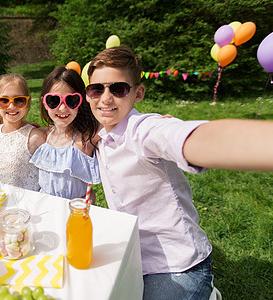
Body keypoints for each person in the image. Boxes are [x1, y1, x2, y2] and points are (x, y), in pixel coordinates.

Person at [85, 45, 273, 299]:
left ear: (138, 93)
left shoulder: (144, 131)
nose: (105, 98)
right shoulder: (102, 136)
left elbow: (184, 137)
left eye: (118, 89)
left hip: (177, 265)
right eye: (97, 89)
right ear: (87, 95)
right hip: (132, 255)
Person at [29, 66, 100, 202]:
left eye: (71, 101)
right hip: (45, 211)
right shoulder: (43, 135)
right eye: (54, 101)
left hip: (74, 214)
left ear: (81, 101)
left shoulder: (86, 139)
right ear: (44, 102)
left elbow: (117, 124)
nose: (62, 108)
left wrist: (91, 197)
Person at [0, 74, 46, 191]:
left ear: (28, 102)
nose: (11, 106)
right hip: (5, 200)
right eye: (4, 101)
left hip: (30, 203)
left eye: (19, 100)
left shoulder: (35, 137)